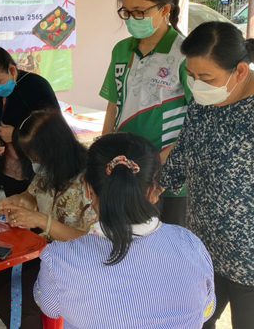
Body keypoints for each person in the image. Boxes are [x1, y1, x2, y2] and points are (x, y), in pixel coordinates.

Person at [34, 132, 215, 329]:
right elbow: (207, 309)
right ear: (152, 191)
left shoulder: (58, 261)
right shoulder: (191, 245)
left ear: (87, 188)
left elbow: (49, 307)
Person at [159, 21, 254, 329]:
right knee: (194, 321)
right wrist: (153, 184)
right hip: (205, 247)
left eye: (206, 77)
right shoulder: (206, 100)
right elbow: (185, 149)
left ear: (240, 71)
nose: (196, 85)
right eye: (191, 75)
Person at [99, 0, 190, 226]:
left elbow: (198, 120)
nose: (131, 19)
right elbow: (113, 105)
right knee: (127, 237)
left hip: (166, 173)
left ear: (164, 9)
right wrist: (104, 150)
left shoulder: (183, 53)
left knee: (166, 242)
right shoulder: (122, 49)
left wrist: (157, 163)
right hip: (124, 169)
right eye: (126, 12)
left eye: (139, 12)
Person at [0, 110, 96, 329]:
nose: (35, 164)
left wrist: (42, 221)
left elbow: (92, 240)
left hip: (78, 265)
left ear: (56, 150)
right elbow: (32, 194)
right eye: (31, 158)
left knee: (13, 302)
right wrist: (20, 200)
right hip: (47, 253)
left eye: (37, 158)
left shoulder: (91, 182)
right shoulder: (50, 170)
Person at [0, 45, 59, 197]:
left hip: (37, 169)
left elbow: (54, 128)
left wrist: (17, 134)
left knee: (37, 208)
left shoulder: (36, 86)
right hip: (9, 169)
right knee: (13, 208)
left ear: (11, 70)